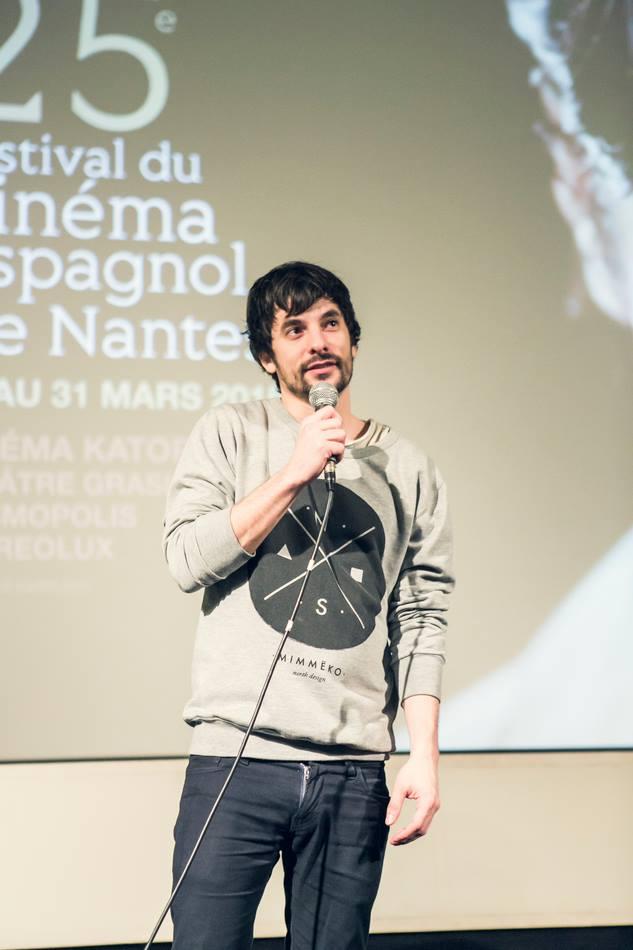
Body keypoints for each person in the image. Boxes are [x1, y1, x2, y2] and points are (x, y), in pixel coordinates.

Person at [162, 260, 455, 950]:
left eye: (330, 323)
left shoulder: (406, 465)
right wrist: (294, 471)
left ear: (353, 339)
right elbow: (186, 560)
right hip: (236, 758)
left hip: (352, 771)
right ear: (267, 356)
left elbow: (421, 616)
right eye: (294, 329)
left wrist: (424, 756)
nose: (318, 340)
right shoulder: (230, 431)